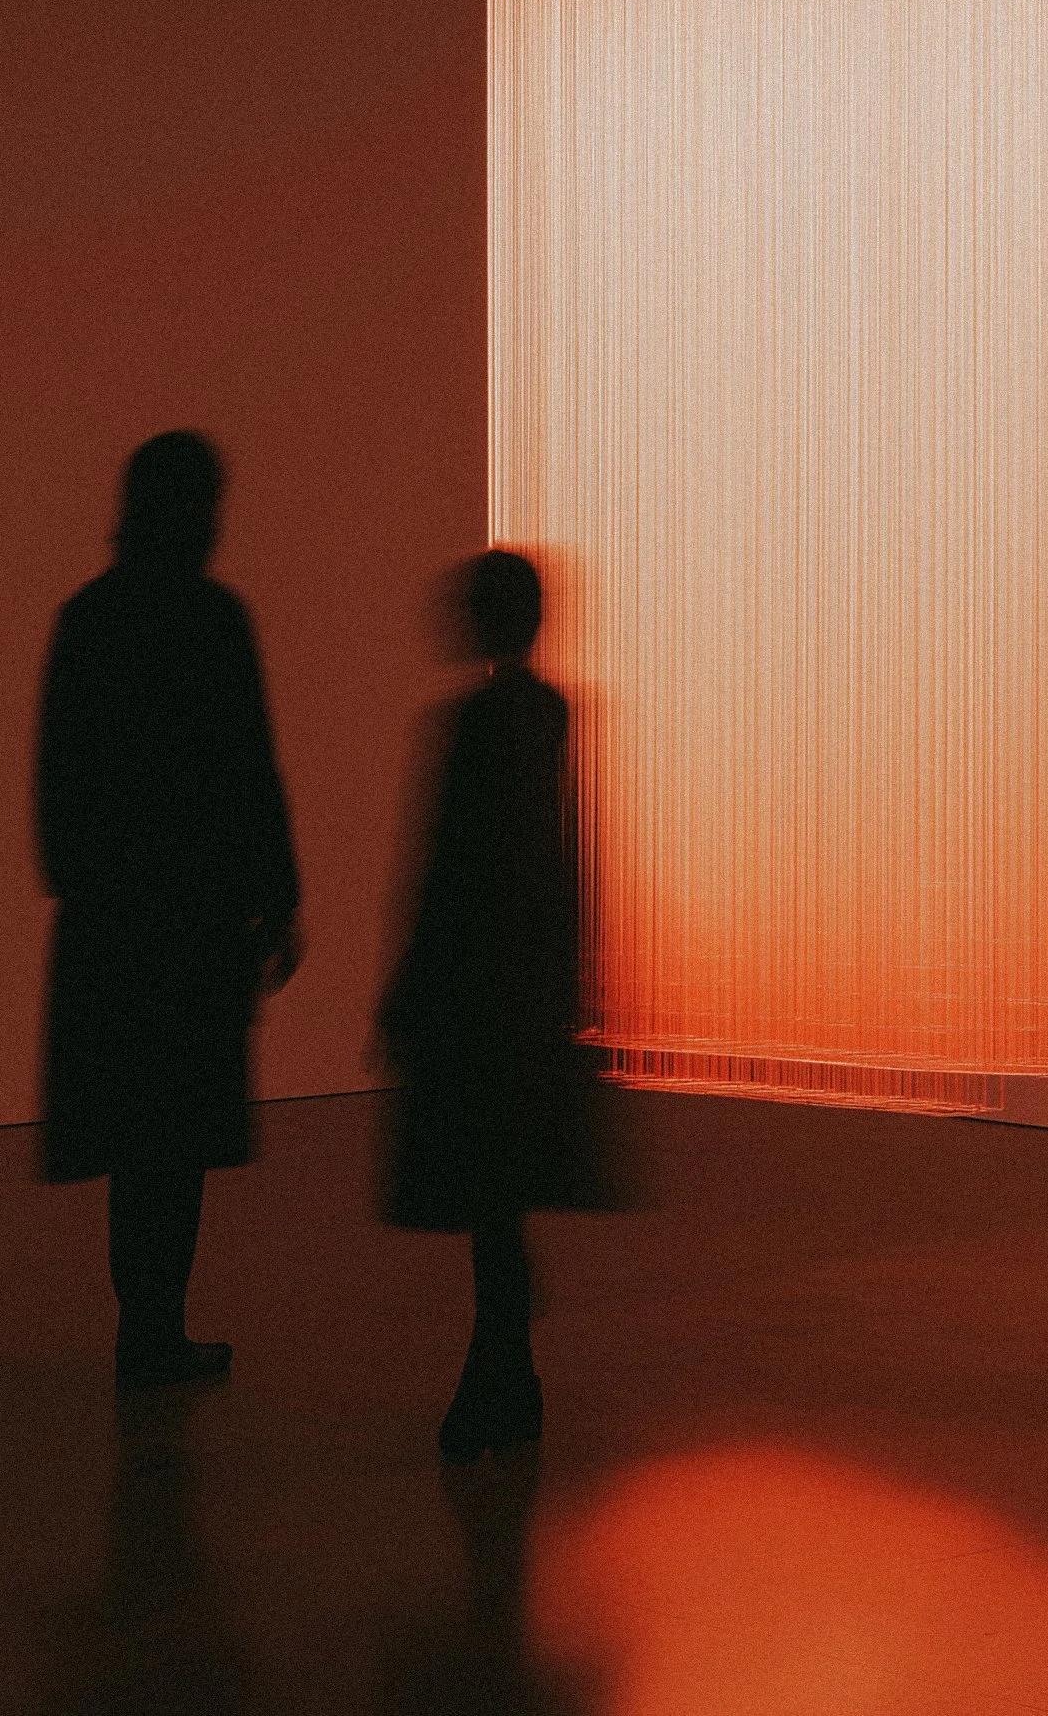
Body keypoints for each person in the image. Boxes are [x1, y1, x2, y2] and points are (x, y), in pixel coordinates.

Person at [37, 431, 303, 1389]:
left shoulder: (90, 617)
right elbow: (250, 772)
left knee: (134, 1142)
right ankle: (157, 1327)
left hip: (115, 928)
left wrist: (82, 886)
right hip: (192, 930)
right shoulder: (213, 619)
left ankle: (144, 1327)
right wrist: (275, 900)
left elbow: (59, 784)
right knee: (176, 1142)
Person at [379, 548, 603, 1462]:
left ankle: (500, 1369)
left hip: (476, 991)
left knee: (487, 1184)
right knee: (500, 1184)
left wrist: (408, 987)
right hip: (521, 986)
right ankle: (504, 1364)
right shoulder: (549, 715)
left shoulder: (476, 722)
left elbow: (447, 868)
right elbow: (558, 858)